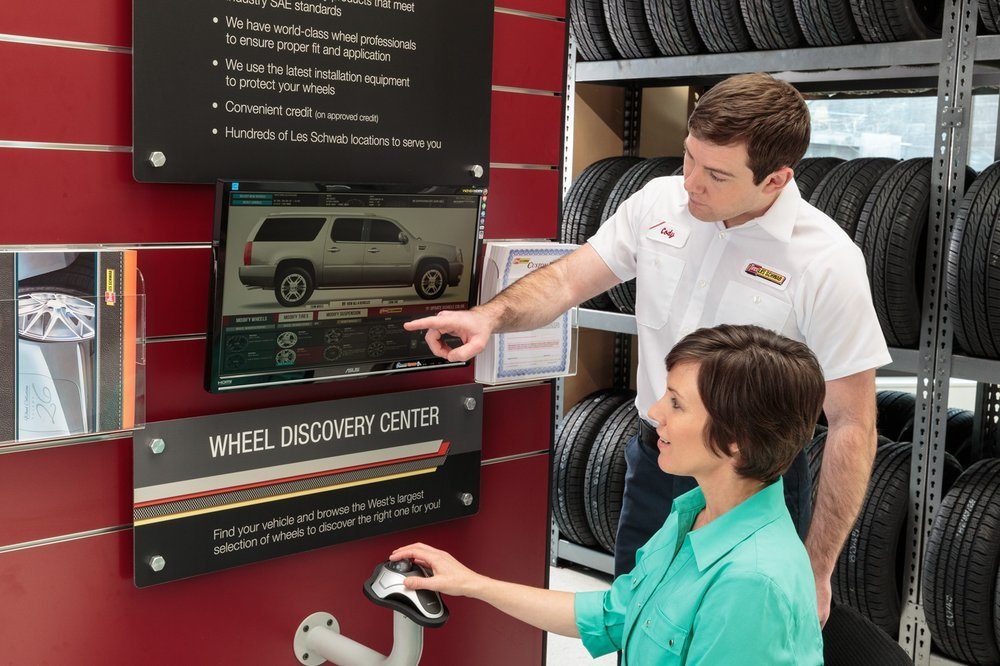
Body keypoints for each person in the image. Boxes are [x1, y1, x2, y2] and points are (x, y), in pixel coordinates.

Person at [404, 72, 891, 624]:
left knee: (729, 636)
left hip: (751, 482)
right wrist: (489, 316)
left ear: (776, 179)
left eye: (717, 174)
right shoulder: (659, 201)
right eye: (689, 158)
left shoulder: (826, 261)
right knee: (632, 622)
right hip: (659, 457)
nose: (691, 183)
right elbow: (566, 280)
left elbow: (852, 423)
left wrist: (818, 567)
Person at [392, 325, 826, 664]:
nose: (653, 412)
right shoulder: (694, 514)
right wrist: (473, 584)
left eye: (676, 403)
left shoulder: (751, 585)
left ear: (736, 441)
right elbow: (613, 613)